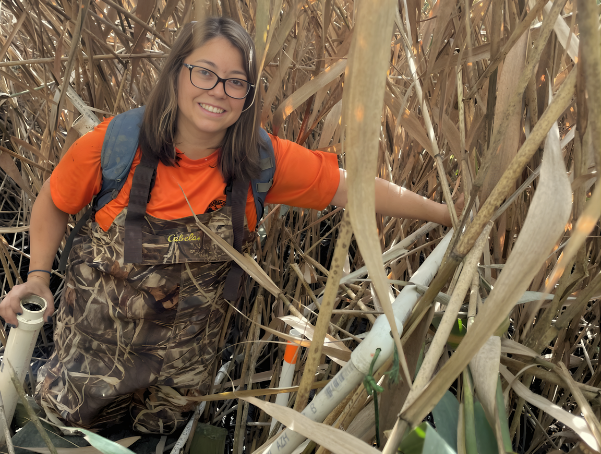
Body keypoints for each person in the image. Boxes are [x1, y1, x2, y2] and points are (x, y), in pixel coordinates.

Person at [0, 17, 460, 434]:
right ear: (177, 73)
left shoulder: (260, 163)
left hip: (176, 395)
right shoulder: (114, 147)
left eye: (235, 82)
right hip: (84, 379)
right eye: (205, 72)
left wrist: (447, 215)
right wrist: (37, 276)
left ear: (248, 95)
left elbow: (352, 188)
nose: (218, 90)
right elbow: (53, 204)